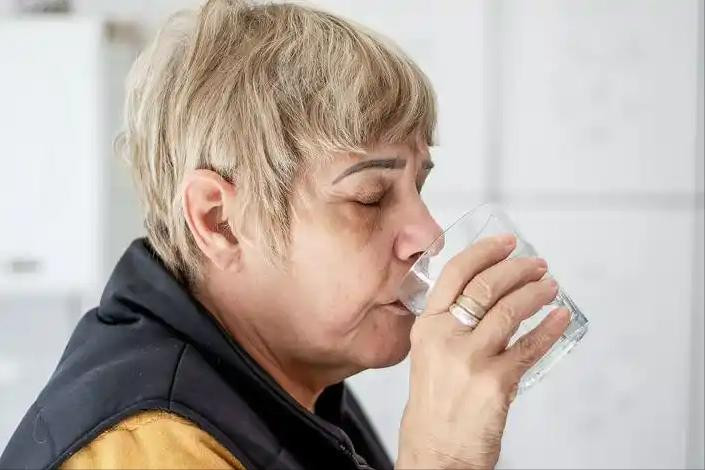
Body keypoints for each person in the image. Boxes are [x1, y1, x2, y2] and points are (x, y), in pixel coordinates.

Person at [0, 0, 569, 468]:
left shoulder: (297, 386)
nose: (428, 234)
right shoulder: (147, 449)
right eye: (370, 197)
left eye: (419, 186)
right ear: (219, 222)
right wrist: (443, 460)